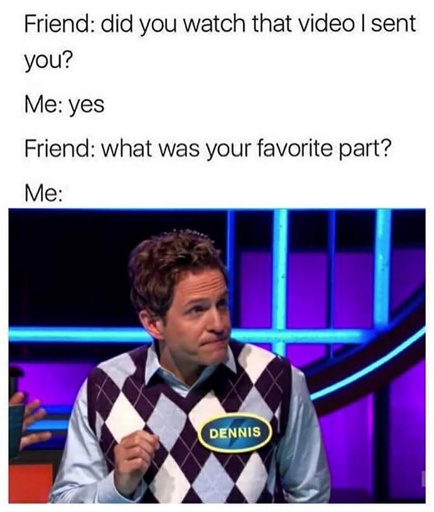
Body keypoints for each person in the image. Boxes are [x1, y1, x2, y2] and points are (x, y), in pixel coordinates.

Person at [50, 229, 330, 503]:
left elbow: (310, 496)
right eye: (197, 310)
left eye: (222, 304)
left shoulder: (277, 379)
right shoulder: (105, 387)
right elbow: (63, 501)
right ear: (153, 323)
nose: (219, 324)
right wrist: (117, 487)